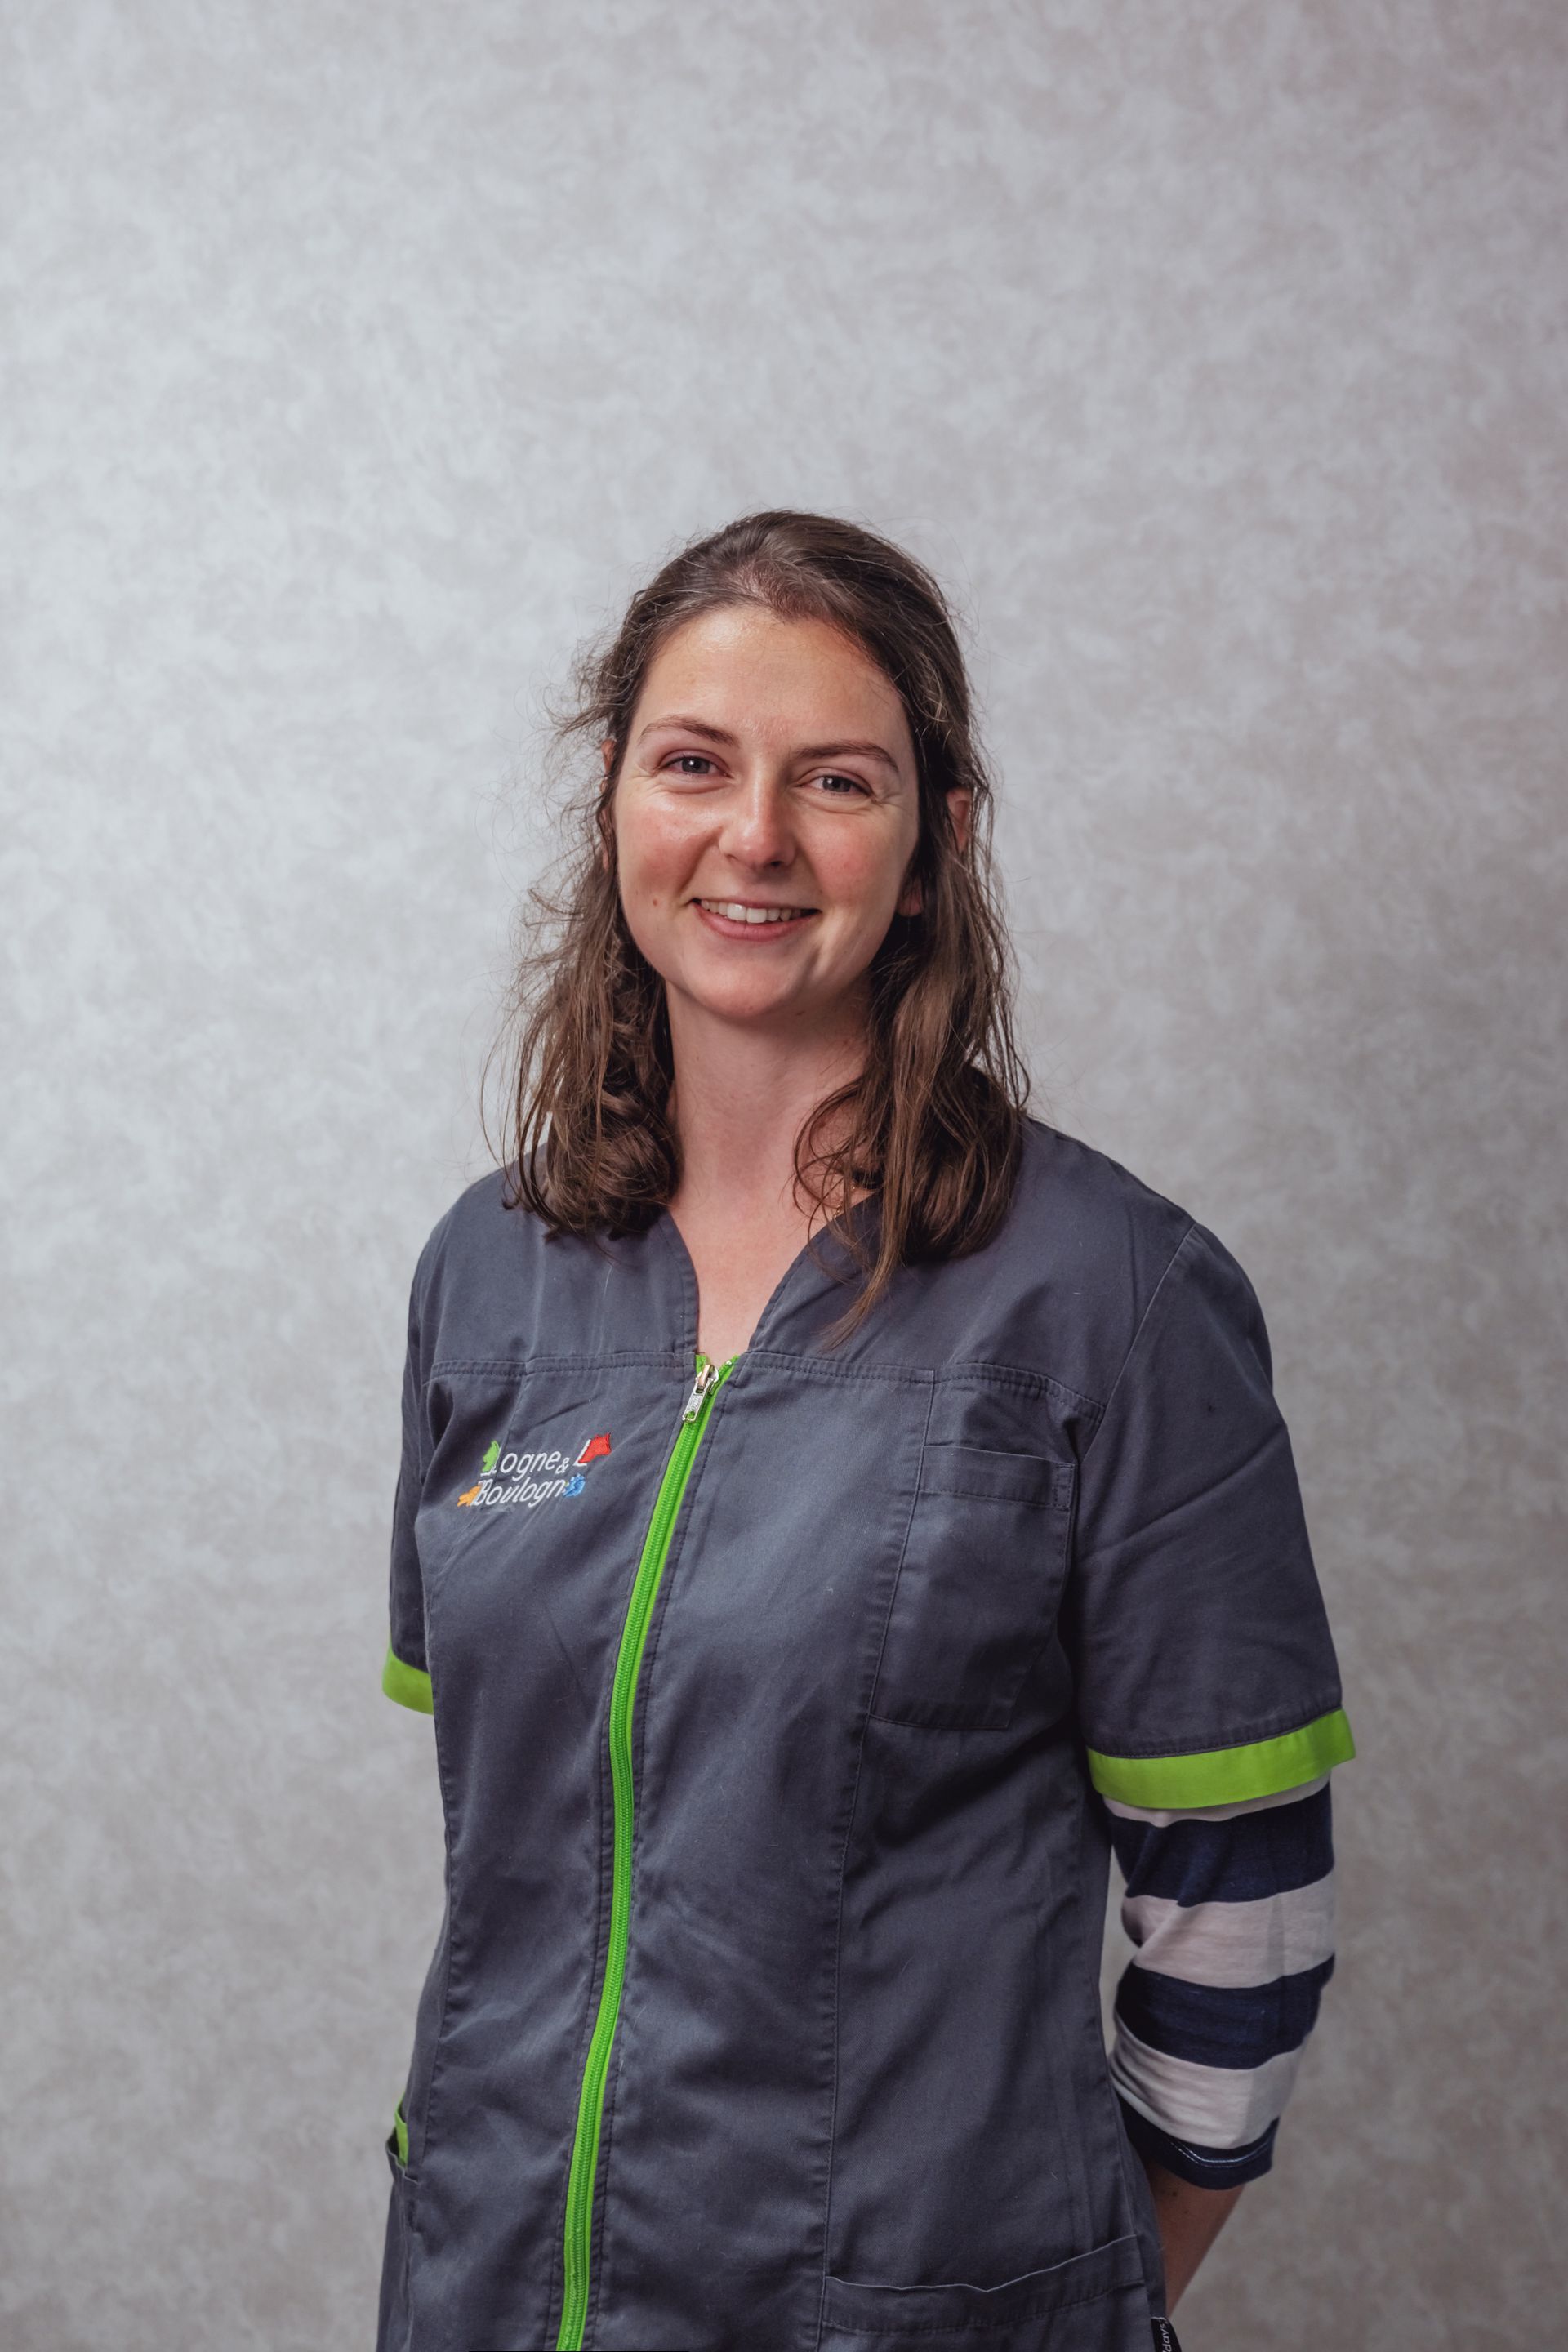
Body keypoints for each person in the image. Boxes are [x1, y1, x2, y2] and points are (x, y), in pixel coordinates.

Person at [376, 511, 1354, 2352]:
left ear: (934, 842)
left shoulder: (1113, 1299)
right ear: (615, 799)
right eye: (695, 764)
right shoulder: (487, 1275)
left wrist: (1073, 2292)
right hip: (492, 2293)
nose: (753, 839)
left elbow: (1246, 1915)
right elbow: (531, 1845)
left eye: (836, 779)